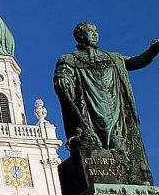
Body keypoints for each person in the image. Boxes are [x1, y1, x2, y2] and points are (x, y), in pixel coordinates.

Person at [54, 21, 159, 185]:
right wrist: (63, 81)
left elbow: (137, 62)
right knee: (96, 142)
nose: (95, 34)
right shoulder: (69, 59)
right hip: (88, 108)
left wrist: (153, 50)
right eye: (90, 31)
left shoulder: (112, 58)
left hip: (115, 108)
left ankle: (133, 179)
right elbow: (62, 81)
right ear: (81, 35)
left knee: (121, 141)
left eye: (96, 31)